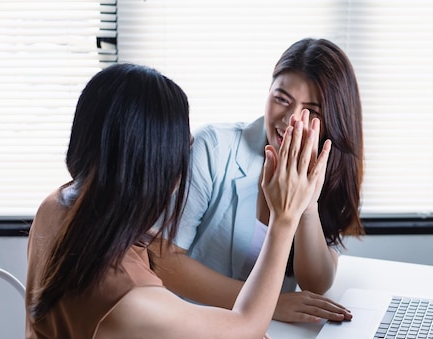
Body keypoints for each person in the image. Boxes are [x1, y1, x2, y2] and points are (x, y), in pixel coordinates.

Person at [21, 63, 330, 339]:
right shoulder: (125, 293)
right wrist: (283, 218)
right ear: (156, 164)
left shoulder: (58, 206)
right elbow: (245, 330)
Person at [149, 38, 363, 324]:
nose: (290, 120)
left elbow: (316, 283)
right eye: (281, 99)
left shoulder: (327, 167)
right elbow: (161, 260)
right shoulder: (213, 147)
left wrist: (307, 206)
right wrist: (267, 304)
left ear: (335, 119)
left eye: (311, 111)